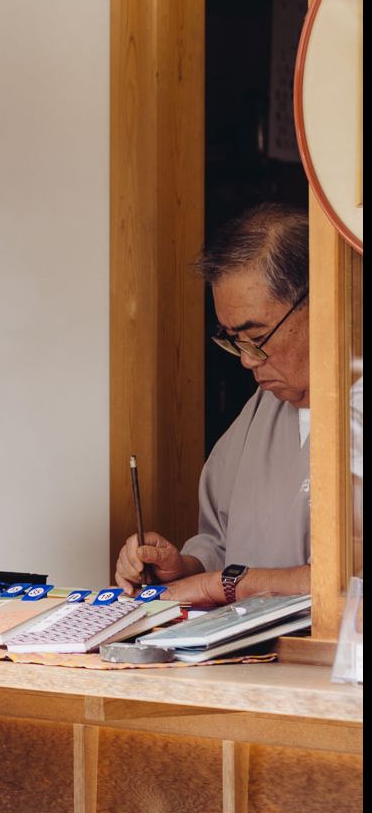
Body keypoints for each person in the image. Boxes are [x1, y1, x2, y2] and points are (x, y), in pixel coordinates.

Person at [115, 203, 316, 607]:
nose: (246, 359)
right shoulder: (261, 410)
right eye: (232, 339)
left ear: (321, 303)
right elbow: (220, 545)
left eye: (256, 334)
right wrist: (183, 568)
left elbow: (346, 583)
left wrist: (217, 585)